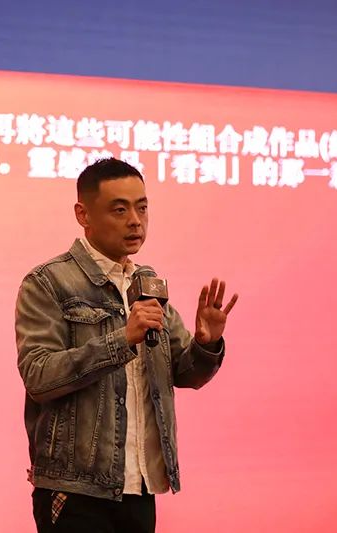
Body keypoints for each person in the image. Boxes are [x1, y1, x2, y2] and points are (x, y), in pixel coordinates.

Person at [15, 157, 238, 533]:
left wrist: (206, 341)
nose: (135, 220)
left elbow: (186, 373)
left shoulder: (147, 283)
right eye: (119, 210)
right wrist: (121, 339)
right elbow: (39, 375)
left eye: (142, 208)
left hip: (141, 484)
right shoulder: (48, 282)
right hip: (76, 489)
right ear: (83, 214)